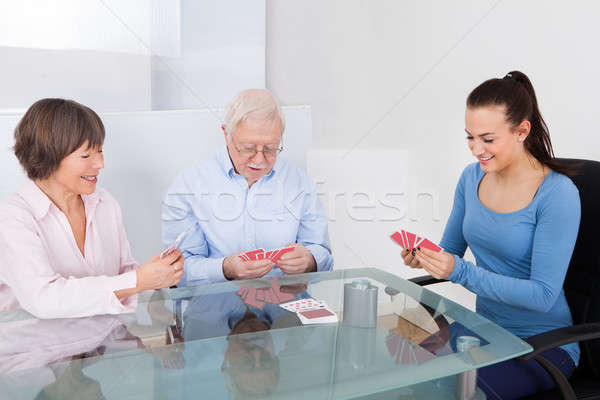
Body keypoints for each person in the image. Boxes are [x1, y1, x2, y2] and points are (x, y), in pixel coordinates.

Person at [403, 71, 580, 399]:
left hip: (541, 345)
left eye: (487, 139)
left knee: (455, 391)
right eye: (470, 137)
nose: (476, 149)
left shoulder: (557, 193)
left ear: (521, 131)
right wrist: (425, 256)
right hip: (484, 332)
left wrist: (457, 270)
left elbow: (542, 295)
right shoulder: (472, 179)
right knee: (398, 370)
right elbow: (452, 251)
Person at [0, 98, 184, 319]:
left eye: (100, 151)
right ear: (48, 156)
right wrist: (138, 281)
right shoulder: (13, 218)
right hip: (36, 349)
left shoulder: (104, 203)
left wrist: (154, 276)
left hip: (101, 344)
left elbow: (123, 274)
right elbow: (44, 300)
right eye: (86, 155)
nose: (100, 163)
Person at [162, 89, 333, 285]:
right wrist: (225, 268)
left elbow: (324, 254)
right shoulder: (189, 185)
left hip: (284, 309)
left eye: (270, 148)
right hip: (214, 311)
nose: (259, 160)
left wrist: (311, 260)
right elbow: (176, 271)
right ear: (226, 134)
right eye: (248, 148)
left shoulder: (299, 182)